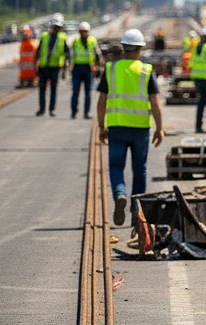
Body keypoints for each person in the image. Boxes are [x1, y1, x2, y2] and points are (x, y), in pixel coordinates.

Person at [97, 29, 165, 226]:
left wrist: (101, 126)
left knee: (116, 166)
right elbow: (155, 102)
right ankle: (137, 210)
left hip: (117, 127)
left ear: (123, 48)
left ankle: (120, 194)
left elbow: (101, 101)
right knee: (139, 168)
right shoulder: (146, 70)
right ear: (140, 48)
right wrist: (160, 128)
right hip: (140, 129)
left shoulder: (111, 69)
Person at [69, 21, 102, 119]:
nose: (84, 33)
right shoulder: (75, 42)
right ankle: (73, 111)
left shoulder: (92, 41)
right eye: (82, 31)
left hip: (88, 68)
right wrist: (69, 67)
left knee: (88, 92)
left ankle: (86, 113)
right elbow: (70, 55)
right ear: (79, 32)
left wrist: (99, 67)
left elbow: (97, 54)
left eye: (85, 31)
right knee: (75, 91)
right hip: (77, 68)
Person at [36, 14, 68, 116]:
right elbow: (38, 51)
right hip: (43, 67)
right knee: (42, 89)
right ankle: (42, 109)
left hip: (55, 67)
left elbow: (66, 53)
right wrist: (35, 65)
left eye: (58, 27)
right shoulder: (44, 36)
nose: (56, 29)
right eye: (55, 27)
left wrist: (65, 69)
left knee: (53, 89)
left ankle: (51, 109)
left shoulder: (62, 38)